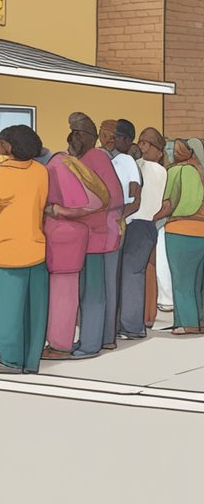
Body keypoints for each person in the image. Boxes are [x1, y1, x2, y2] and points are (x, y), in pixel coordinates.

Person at [0, 125, 51, 374]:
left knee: (8, 311)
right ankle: (30, 361)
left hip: (6, 251)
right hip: (36, 248)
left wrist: (1, 165)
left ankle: (10, 360)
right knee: (33, 310)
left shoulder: (0, 176)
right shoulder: (41, 171)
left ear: (7, 147)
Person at [41, 120, 107, 359]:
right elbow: (100, 199)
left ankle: (59, 345)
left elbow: (87, 204)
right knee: (66, 291)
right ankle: (60, 342)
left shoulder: (59, 165)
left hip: (61, 235)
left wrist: (56, 210)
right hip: (75, 236)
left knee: (61, 294)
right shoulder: (76, 165)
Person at [68, 113, 125, 359]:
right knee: (95, 290)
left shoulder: (96, 158)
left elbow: (113, 197)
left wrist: (78, 209)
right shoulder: (83, 159)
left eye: (78, 133)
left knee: (93, 292)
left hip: (99, 236)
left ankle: (91, 344)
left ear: (90, 136)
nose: (73, 137)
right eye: (72, 132)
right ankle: (100, 339)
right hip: (89, 236)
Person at [123, 128, 167, 337]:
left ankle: (132, 325)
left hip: (135, 223)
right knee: (142, 273)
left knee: (130, 275)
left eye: (144, 143)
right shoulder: (163, 170)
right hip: (151, 225)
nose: (141, 147)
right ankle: (142, 320)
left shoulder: (140, 166)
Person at [106, 120, 146, 342]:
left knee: (116, 277)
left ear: (128, 140)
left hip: (122, 225)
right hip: (114, 223)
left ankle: (122, 327)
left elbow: (135, 198)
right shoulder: (114, 161)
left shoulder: (128, 162)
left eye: (119, 137)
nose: (114, 140)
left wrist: (118, 217)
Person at [159, 138, 204, 335]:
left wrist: (152, 217)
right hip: (202, 232)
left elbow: (168, 204)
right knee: (197, 283)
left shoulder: (177, 171)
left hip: (180, 230)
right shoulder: (201, 173)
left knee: (181, 281)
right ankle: (200, 321)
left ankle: (186, 323)